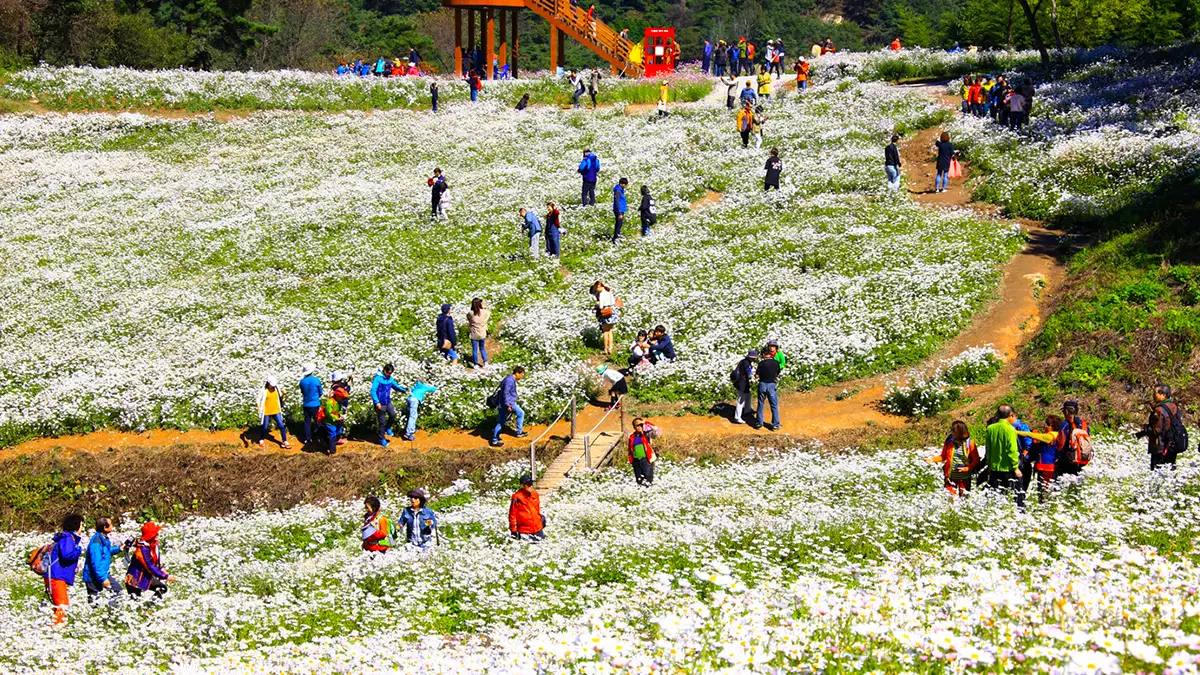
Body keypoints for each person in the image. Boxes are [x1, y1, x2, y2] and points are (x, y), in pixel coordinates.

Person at [1136, 384, 1186, 470]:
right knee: (1169, 472)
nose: (1153, 395)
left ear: (1163, 395)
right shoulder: (1174, 406)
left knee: (1157, 471)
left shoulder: (1159, 410)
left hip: (1160, 446)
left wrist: (1144, 430)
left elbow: (1157, 430)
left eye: (1155, 393)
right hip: (1172, 444)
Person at [45, 514, 84, 624]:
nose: (82, 528)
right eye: (81, 525)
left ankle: (55, 627)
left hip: (55, 575)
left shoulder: (65, 537)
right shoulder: (68, 538)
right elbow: (66, 555)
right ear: (76, 526)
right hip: (57, 576)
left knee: (59, 605)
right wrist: (78, 550)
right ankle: (56, 630)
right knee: (63, 605)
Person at [984, 405, 1024, 508]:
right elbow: (1012, 450)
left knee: (996, 496)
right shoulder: (1010, 429)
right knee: (1015, 495)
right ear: (1011, 415)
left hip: (994, 468)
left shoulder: (990, 428)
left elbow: (988, 449)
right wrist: (1015, 467)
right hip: (1008, 468)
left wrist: (988, 464)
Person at [927, 420, 980, 495]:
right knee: (950, 499)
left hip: (964, 478)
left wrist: (966, 468)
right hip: (950, 476)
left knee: (964, 499)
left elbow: (976, 460)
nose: (951, 431)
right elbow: (943, 456)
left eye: (953, 430)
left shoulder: (970, 443)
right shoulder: (949, 441)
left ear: (959, 432)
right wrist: (932, 460)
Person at [83, 516, 125, 605]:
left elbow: (106, 552)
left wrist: (119, 549)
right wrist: (104, 579)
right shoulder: (96, 542)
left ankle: (112, 612)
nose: (112, 526)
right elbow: (96, 563)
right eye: (111, 524)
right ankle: (108, 613)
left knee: (118, 590)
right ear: (105, 528)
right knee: (94, 602)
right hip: (93, 576)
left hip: (101, 573)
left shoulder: (104, 539)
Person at [125, 522, 174, 599]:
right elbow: (150, 566)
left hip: (145, 577)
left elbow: (154, 561)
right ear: (151, 536)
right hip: (134, 579)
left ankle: (150, 607)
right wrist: (165, 576)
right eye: (156, 534)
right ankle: (146, 607)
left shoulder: (151, 546)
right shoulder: (142, 549)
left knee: (162, 588)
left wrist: (160, 568)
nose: (158, 536)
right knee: (136, 601)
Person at [370, 364, 407, 447]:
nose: (389, 375)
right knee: (382, 422)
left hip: (387, 402)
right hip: (380, 403)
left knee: (393, 415)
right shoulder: (378, 379)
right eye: (388, 373)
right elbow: (373, 391)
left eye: (391, 373)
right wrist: (377, 402)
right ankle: (382, 439)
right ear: (384, 371)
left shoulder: (390, 379)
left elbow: (395, 386)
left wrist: (404, 391)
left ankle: (388, 427)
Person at [490, 366, 527, 447]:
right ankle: (494, 440)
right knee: (501, 422)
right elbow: (506, 393)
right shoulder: (510, 380)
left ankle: (518, 432)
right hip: (506, 404)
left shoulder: (509, 378)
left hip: (506, 403)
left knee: (505, 419)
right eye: (521, 375)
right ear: (517, 373)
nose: (521, 377)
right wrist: (508, 405)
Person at [1054, 401, 1089, 478]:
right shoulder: (1084, 425)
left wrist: (1056, 457)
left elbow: (1060, 443)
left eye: (1063, 411)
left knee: (1060, 483)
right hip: (1080, 459)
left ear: (1066, 411)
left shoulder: (1065, 424)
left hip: (1066, 459)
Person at [256, 377, 290, 449]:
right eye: (272, 385)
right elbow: (258, 399)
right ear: (268, 383)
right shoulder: (263, 390)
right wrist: (258, 407)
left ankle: (284, 441)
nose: (273, 386)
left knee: (281, 425)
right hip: (267, 411)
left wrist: (283, 394)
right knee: (265, 427)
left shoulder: (276, 388)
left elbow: (280, 396)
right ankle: (261, 439)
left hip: (276, 410)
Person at [508, 473, 545, 540]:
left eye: (531, 483)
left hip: (538, 528)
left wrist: (541, 519)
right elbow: (512, 514)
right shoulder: (516, 497)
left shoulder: (535, 494)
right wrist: (513, 530)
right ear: (522, 485)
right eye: (528, 484)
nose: (530, 486)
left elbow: (537, 509)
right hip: (525, 530)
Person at [754, 347, 781, 430]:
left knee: (761, 404)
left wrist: (755, 375)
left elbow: (757, 376)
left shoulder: (761, 364)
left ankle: (759, 423)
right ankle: (775, 424)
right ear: (770, 353)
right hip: (771, 385)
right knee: (774, 405)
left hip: (762, 384)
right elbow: (778, 374)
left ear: (763, 355)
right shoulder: (776, 363)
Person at [297, 363, 323, 445]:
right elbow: (320, 392)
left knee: (307, 422)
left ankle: (308, 439)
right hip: (315, 404)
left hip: (306, 404)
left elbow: (303, 392)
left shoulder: (302, 382)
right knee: (317, 421)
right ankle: (319, 436)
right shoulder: (316, 380)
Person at [320, 380, 348, 455]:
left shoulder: (337, 402)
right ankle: (332, 451)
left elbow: (337, 411)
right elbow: (329, 413)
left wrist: (340, 415)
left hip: (336, 421)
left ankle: (328, 442)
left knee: (339, 432)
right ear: (337, 396)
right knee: (332, 434)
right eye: (341, 397)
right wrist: (336, 418)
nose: (342, 399)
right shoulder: (330, 402)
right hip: (329, 422)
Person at [592, 281, 619, 355]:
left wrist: (597, 304)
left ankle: (605, 349)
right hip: (612, 311)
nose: (596, 290)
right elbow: (613, 301)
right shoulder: (609, 291)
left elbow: (601, 306)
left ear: (599, 286)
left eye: (596, 288)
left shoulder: (602, 294)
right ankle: (610, 347)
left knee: (605, 331)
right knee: (610, 331)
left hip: (606, 312)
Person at [628, 417, 657, 486]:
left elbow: (656, 429)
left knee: (648, 479)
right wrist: (631, 461)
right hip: (636, 461)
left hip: (646, 460)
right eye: (638, 425)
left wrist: (645, 423)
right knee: (639, 480)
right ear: (634, 427)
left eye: (641, 425)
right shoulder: (632, 437)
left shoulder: (647, 434)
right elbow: (630, 449)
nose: (640, 427)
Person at [731, 349, 757, 424]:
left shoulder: (744, 361)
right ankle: (737, 417)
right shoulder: (747, 364)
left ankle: (747, 409)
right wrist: (753, 376)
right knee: (741, 400)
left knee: (748, 395)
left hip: (740, 382)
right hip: (742, 383)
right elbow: (748, 374)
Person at [467, 298, 491, 368]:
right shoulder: (484, 312)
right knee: (482, 348)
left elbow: (468, 318)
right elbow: (488, 313)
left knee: (475, 350)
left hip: (474, 334)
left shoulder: (471, 313)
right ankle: (485, 362)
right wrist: (483, 307)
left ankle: (475, 364)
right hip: (482, 333)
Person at [612, 177, 628, 243]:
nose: (626, 186)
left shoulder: (620, 190)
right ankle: (616, 239)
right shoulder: (618, 191)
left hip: (621, 209)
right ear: (622, 184)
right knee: (619, 224)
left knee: (619, 224)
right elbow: (617, 202)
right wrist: (619, 213)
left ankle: (616, 237)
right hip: (619, 210)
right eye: (626, 184)